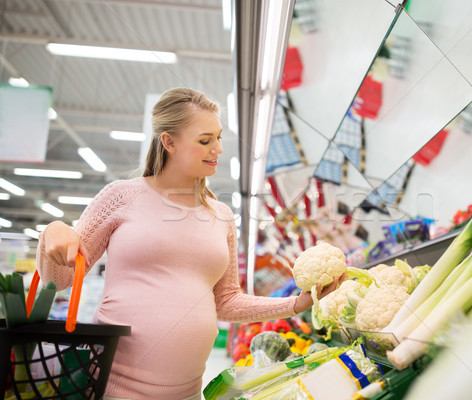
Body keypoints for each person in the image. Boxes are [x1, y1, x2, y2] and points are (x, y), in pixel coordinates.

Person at [36, 87, 344, 400]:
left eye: (220, 137)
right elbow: (58, 281)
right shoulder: (121, 196)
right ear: (169, 142)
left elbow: (225, 301)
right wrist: (54, 231)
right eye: (205, 140)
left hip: (188, 393)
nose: (218, 149)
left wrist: (295, 304)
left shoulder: (221, 215)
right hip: (112, 389)